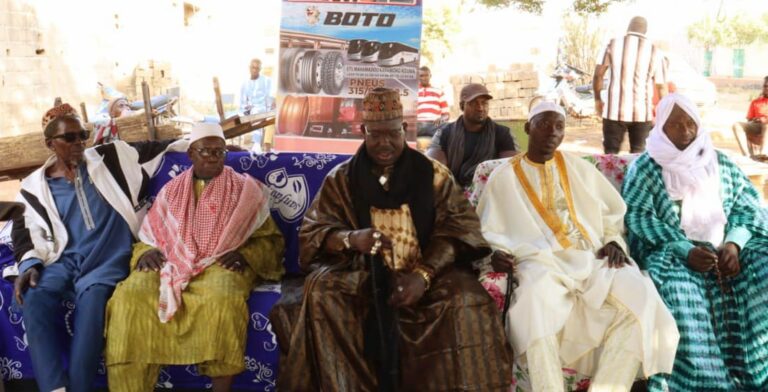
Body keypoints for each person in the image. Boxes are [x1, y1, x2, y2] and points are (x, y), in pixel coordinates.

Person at [271, 88, 513, 391]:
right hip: (359, 271)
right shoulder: (341, 178)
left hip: (429, 272)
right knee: (321, 293)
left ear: (404, 129)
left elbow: (459, 231)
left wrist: (422, 276)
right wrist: (350, 239)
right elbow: (313, 233)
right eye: (375, 135)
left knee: (467, 300)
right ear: (363, 131)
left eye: (392, 134)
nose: (384, 143)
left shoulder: (435, 175)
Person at [477, 101, 679, 392]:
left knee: (642, 297)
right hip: (538, 260)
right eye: (544, 124)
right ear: (527, 127)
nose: (552, 133)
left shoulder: (577, 167)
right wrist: (495, 254)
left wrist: (612, 240)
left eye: (559, 126)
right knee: (533, 308)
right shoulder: (503, 176)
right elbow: (488, 230)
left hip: (593, 256)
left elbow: (610, 213)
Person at [11, 104, 186, 392]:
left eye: (83, 135)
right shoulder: (34, 186)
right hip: (63, 260)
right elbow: (25, 228)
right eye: (69, 138)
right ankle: (54, 387)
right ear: (50, 144)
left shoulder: (110, 157)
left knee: (91, 308)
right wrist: (29, 264)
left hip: (108, 258)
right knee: (34, 296)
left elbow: (159, 148)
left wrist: (206, 141)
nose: (79, 142)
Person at [104, 122, 285, 391]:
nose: (213, 157)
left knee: (221, 297)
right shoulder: (172, 189)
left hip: (220, 263)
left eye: (219, 152)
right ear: (191, 154)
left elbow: (271, 241)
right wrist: (147, 252)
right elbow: (149, 235)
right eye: (206, 151)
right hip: (171, 262)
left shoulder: (245, 190)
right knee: (130, 297)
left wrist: (247, 255)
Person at [622, 93, 768, 391]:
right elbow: (638, 216)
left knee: (763, 271)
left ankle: (758, 375)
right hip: (674, 251)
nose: (686, 131)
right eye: (675, 124)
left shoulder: (719, 161)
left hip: (726, 247)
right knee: (679, 291)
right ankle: (704, 383)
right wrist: (685, 249)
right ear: (661, 127)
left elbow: (748, 205)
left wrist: (734, 244)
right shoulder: (647, 167)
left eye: (690, 123)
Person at [593, 16, 668, 154]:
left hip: (613, 112)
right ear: (645, 31)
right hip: (641, 114)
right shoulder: (656, 52)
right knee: (639, 154)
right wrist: (665, 112)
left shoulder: (612, 45)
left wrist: (598, 100)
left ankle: (609, 176)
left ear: (628, 28)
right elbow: (661, 86)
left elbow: (598, 75)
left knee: (610, 154)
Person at [426, 83, 519, 187]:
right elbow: (433, 169)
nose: (480, 108)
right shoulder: (444, 133)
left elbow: (511, 169)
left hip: (489, 192)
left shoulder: (502, 133)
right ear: (462, 106)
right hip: (454, 193)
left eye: (484, 103)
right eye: (474, 103)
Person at [240, 58, 276, 153]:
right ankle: (256, 144)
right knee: (256, 112)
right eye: (253, 67)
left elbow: (270, 97)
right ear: (249, 68)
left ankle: (266, 145)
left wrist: (271, 106)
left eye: (257, 68)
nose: (255, 70)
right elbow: (243, 102)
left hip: (264, 108)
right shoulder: (245, 83)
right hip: (251, 110)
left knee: (272, 116)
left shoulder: (266, 81)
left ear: (260, 69)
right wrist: (246, 108)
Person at [731, 76, 768, 158]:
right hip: (757, 126)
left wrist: (764, 119)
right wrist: (755, 120)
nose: (766, 88)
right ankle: (746, 155)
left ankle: (763, 154)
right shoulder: (756, 102)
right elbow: (749, 120)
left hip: (766, 126)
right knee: (736, 125)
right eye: (765, 86)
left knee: (766, 124)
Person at [416, 66, 449, 138]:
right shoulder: (413, 92)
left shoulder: (439, 92)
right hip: (418, 124)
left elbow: (446, 114)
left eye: (426, 75)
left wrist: (441, 119)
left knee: (449, 128)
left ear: (430, 76)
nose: (424, 78)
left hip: (434, 125)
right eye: (421, 76)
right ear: (418, 77)